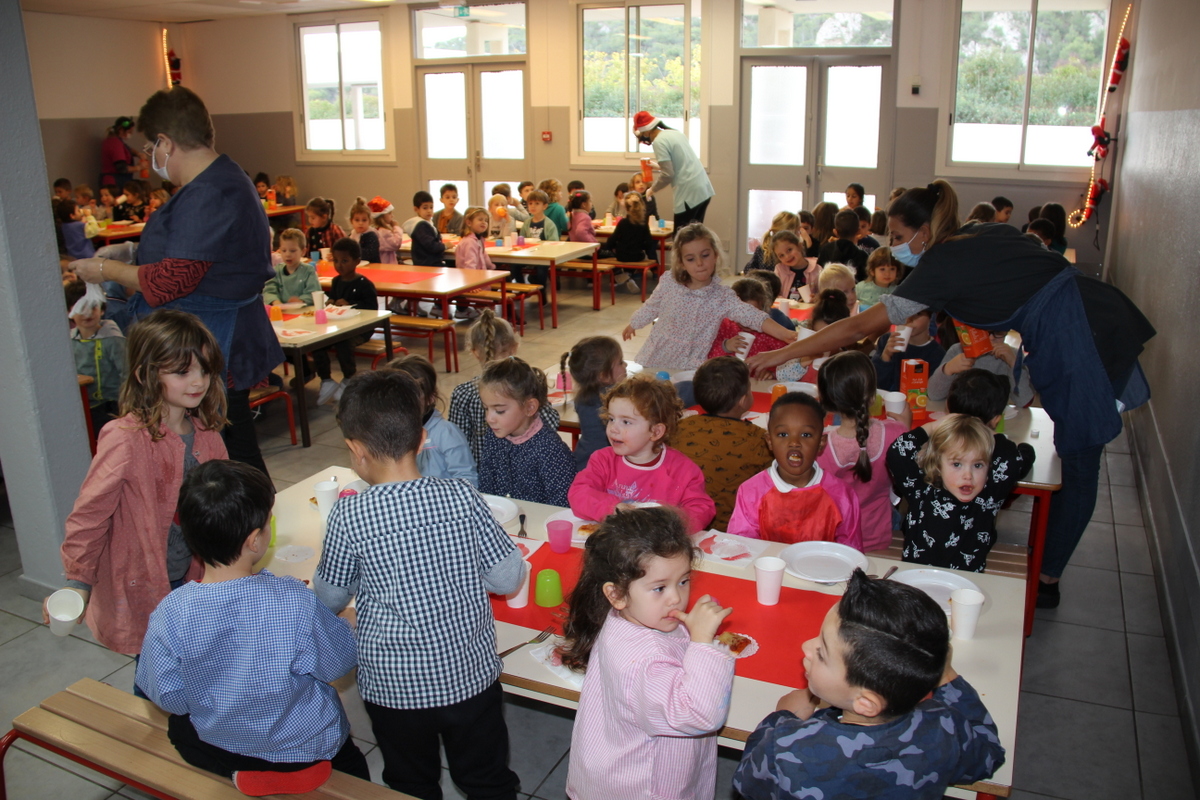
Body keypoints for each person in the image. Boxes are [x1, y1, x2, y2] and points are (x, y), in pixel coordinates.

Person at [747, 179, 1155, 604]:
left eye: (900, 237)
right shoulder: (977, 233)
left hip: (1079, 332)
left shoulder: (943, 261)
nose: (896, 248)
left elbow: (859, 326)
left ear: (925, 231)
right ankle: (1049, 568)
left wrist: (785, 352)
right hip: (1093, 310)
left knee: (1081, 461)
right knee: (1079, 459)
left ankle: (1047, 579)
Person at [313, 370, 523, 800]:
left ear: (356, 450)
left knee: (411, 784)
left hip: (395, 689)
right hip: (470, 678)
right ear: (423, 439)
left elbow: (329, 598)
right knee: (486, 779)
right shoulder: (461, 496)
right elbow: (507, 577)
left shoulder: (349, 515)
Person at [70, 88, 282, 476]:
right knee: (224, 446)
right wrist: (130, 252)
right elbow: (192, 253)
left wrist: (106, 270)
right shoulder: (221, 180)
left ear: (165, 143)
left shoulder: (210, 191)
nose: (150, 156)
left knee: (229, 450)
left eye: (150, 147)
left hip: (210, 335)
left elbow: (172, 280)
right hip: (210, 330)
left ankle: (247, 514)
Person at [137, 460, 369, 795]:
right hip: (301, 746)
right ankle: (288, 773)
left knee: (180, 730)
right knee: (354, 768)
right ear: (254, 541)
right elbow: (337, 663)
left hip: (224, 742)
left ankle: (239, 770)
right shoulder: (291, 601)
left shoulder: (170, 611)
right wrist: (345, 624)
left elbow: (168, 696)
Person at [50, 310, 228, 662]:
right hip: (144, 584)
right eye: (182, 372)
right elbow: (90, 515)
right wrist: (78, 582)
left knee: (194, 666)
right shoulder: (125, 438)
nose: (199, 381)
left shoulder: (209, 436)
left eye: (205, 370)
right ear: (146, 374)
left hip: (193, 578)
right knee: (153, 671)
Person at [733, 570, 1005, 800]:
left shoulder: (786, 748)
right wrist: (946, 675)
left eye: (823, 652)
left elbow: (747, 782)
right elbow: (989, 754)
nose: (806, 646)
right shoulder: (944, 728)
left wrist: (781, 717)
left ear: (866, 703)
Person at [559, 507, 735, 800]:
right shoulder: (644, 661)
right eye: (659, 588)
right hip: (643, 787)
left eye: (683, 581)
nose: (676, 597)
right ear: (616, 594)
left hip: (619, 764)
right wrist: (703, 643)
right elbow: (699, 715)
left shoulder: (635, 615)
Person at [623, 223, 795, 371]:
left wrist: (784, 333)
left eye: (705, 255)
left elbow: (753, 316)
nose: (699, 263)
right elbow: (652, 306)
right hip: (657, 357)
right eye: (690, 259)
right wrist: (634, 323)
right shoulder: (670, 281)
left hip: (691, 365)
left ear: (715, 255)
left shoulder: (722, 296)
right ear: (682, 263)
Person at [569, 374, 716, 532]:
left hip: (659, 543)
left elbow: (702, 509)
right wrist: (613, 508)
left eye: (626, 422)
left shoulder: (683, 470)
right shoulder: (603, 460)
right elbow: (579, 493)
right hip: (613, 541)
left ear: (655, 431)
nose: (613, 428)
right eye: (611, 419)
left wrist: (670, 520)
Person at [888, 413, 1033, 571]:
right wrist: (933, 426)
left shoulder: (987, 499)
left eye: (978, 465)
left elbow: (1011, 460)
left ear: (988, 469)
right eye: (957, 464)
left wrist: (983, 430)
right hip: (918, 578)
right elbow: (898, 451)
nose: (968, 475)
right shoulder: (922, 492)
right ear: (938, 465)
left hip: (965, 583)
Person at [727, 392, 861, 546]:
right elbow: (741, 547)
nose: (794, 443)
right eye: (783, 434)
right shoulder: (751, 492)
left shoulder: (842, 495)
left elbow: (850, 553)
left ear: (821, 442)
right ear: (769, 441)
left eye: (806, 434)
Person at [816, 351, 908, 552]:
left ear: (825, 399)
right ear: (873, 396)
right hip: (879, 535)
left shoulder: (820, 446)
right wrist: (906, 427)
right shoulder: (896, 432)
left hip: (836, 540)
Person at [670, 356, 773, 530]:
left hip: (682, 523)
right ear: (743, 400)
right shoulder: (759, 440)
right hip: (734, 529)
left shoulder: (679, 428)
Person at [450, 310, 559, 463]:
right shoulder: (525, 385)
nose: (490, 418)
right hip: (525, 467)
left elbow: (456, 445)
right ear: (514, 347)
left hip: (480, 472)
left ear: (474, 352)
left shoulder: (462, 393)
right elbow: (551, 423)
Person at [477, 356, 576, 506]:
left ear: (530, 407)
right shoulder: (494, 435)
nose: (489, 418)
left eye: (499, 411)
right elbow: (486, 485)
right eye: (486, 408)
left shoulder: (550, 450)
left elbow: (561, 505)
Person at [381, 354, 477, 486]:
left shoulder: (446, 433)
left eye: (410, 397)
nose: (401, 405)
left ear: (430, 398)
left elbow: (469, 481)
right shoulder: (390, 432)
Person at [310, 238, 377, 405]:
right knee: (317, 342)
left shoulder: (364, 284)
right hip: (339, 326)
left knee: (343, 343)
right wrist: (331, 302)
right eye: (336, 260)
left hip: (361, 329)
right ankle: (326, 379)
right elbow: (333, 298)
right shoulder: (336, 281)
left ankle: (349, 378)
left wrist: (351, 304)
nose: (339, 265)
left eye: (345, 261)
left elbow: (373, 309)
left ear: (357, 262)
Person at [632, 111, 714, 228]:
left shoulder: (659, 142)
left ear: (645, 131)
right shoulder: (675, 133)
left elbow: (668, 174)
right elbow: (681, 163)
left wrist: (652, 189)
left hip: (689, 195)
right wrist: (659, 166)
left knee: (681, 235)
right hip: (703, 190)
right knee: (694, 234)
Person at [66, 281, 126, 436]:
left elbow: (127, 372)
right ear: (69, 311)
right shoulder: (68, 341)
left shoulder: (113, 339)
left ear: (102, 309)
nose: (87, 313)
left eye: (93, 307)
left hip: (111, 407)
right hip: (82, 406)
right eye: (81, 308)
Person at [561, 336, 627, 471]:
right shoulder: (615, 400)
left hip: (583, 460)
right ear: (603, 376)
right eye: (620, 362)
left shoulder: (583, 396)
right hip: (607, 464)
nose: (625, 365)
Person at [929, 333, 1034, 409]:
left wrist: (1014, 364)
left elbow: (1024, 402)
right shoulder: (958, 350)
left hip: (994, 420)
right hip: (961, 418)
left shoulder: (1012, 354)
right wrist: (948, 368)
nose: (991, 338)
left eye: (998, 333)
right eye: (984, 332)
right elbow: (933, 395)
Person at [706, 277, 790, 362]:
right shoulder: (723, 327)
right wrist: (726, 346)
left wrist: (769, 366)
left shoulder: (769, 332)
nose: (747, 322)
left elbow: (787, 358)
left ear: (762, 310)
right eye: (742, 315)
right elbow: (707, 359)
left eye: (753, 314)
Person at [872, 307, 943, 392]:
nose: (909, 319)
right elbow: (874, 382)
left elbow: (934, 392)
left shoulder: (937, 353)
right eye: (904, 312)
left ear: (931, 317)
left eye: (918, 313)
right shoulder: (887, 341)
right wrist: (886, 356)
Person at [605, 191, 658, 294]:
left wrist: (611, 248)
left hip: (621, 256)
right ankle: (629, 274)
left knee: (609, 254)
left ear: (626, 207)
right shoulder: (643, 224)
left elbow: (612, 240)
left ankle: (622, 275)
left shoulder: (623, 222)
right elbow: (649, 243)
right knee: (639, 255)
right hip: (637, 256)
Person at [262, 228, 319, 307]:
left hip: (303, 311)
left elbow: (314, 292)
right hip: (281, 311)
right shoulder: (276, 271)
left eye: (292, 251)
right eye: (284, 250)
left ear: (303, 252)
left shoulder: (309, 271)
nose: (288, 255)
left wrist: (301, 300)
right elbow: (268, 291)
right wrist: (276, 302)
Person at [818, 209, 869, 280]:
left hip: (828, 286)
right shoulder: (862, 256)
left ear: (835, 232)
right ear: (858, 231)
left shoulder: (826, 250)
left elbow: (819, 274)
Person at [403, 190, 446, 267]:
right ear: (416, 209)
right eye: (425, 208)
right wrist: (445, 246)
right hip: (426, 263)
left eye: (431, 207)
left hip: (431, 262)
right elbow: (431, 245)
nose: (429, 211)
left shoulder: (428, 223)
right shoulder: (420, 226)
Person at [766, 229, 809, 300]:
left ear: (799, 246)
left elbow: (822, 295)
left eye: (789, 250)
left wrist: (817, 297)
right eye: (781, 255)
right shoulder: (779, 270)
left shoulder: (816, 269)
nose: (787, 256)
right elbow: (774, 294)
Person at [100, 116, 138, 190]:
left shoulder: (114, 140)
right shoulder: (115, 144)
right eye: (129, 132)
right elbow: (122, 168)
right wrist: (139, 167)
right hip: (114, 183)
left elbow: (127, 149)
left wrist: (138, 154)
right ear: (121, 130)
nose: (130, 134)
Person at [346, 196, 381, 263]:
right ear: (351, 221)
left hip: (371, 266)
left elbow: (369, 254)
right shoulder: (351, 236)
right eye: (357, 220)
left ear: (369, 221)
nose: (360, 223)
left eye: (364, 220)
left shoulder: (372, 235)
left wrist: (350, 252)